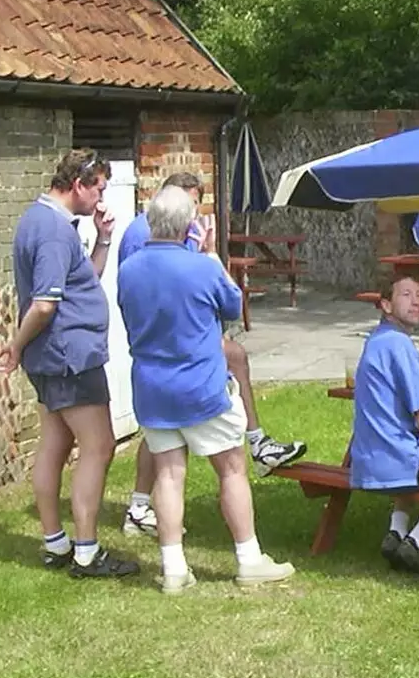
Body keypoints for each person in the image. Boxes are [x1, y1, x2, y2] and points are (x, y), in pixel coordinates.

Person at [117, 186, 294, 592]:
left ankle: (173, 567)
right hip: (201, 386)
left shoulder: (129, 269)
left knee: (168, 474)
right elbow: (234, 307)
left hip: (151, 386)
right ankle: (249, 559)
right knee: (231, 469)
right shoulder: (202, 267)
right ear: (189, 225)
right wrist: (212, 252)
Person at [0, 149, 137, 578]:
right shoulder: (54, 232)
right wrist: (16, 346)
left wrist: (104, 238)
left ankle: (56, 543)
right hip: (69, 358)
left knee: (54, 447)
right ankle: (86, 551)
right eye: (97, 189)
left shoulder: (41, 222)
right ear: (78, 184)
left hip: (54, 357)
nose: (101, 198)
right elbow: (43, 305)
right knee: (99, 446)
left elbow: (81, 282)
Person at [351, 275, 419, 577]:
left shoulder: (379, 339)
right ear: (385, 305)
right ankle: (417, 539)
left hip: (368, 462)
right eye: (406, 295)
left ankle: (395, 532)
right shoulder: (399, 344)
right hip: (395, 466)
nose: (415, 302)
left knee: (413, 449)